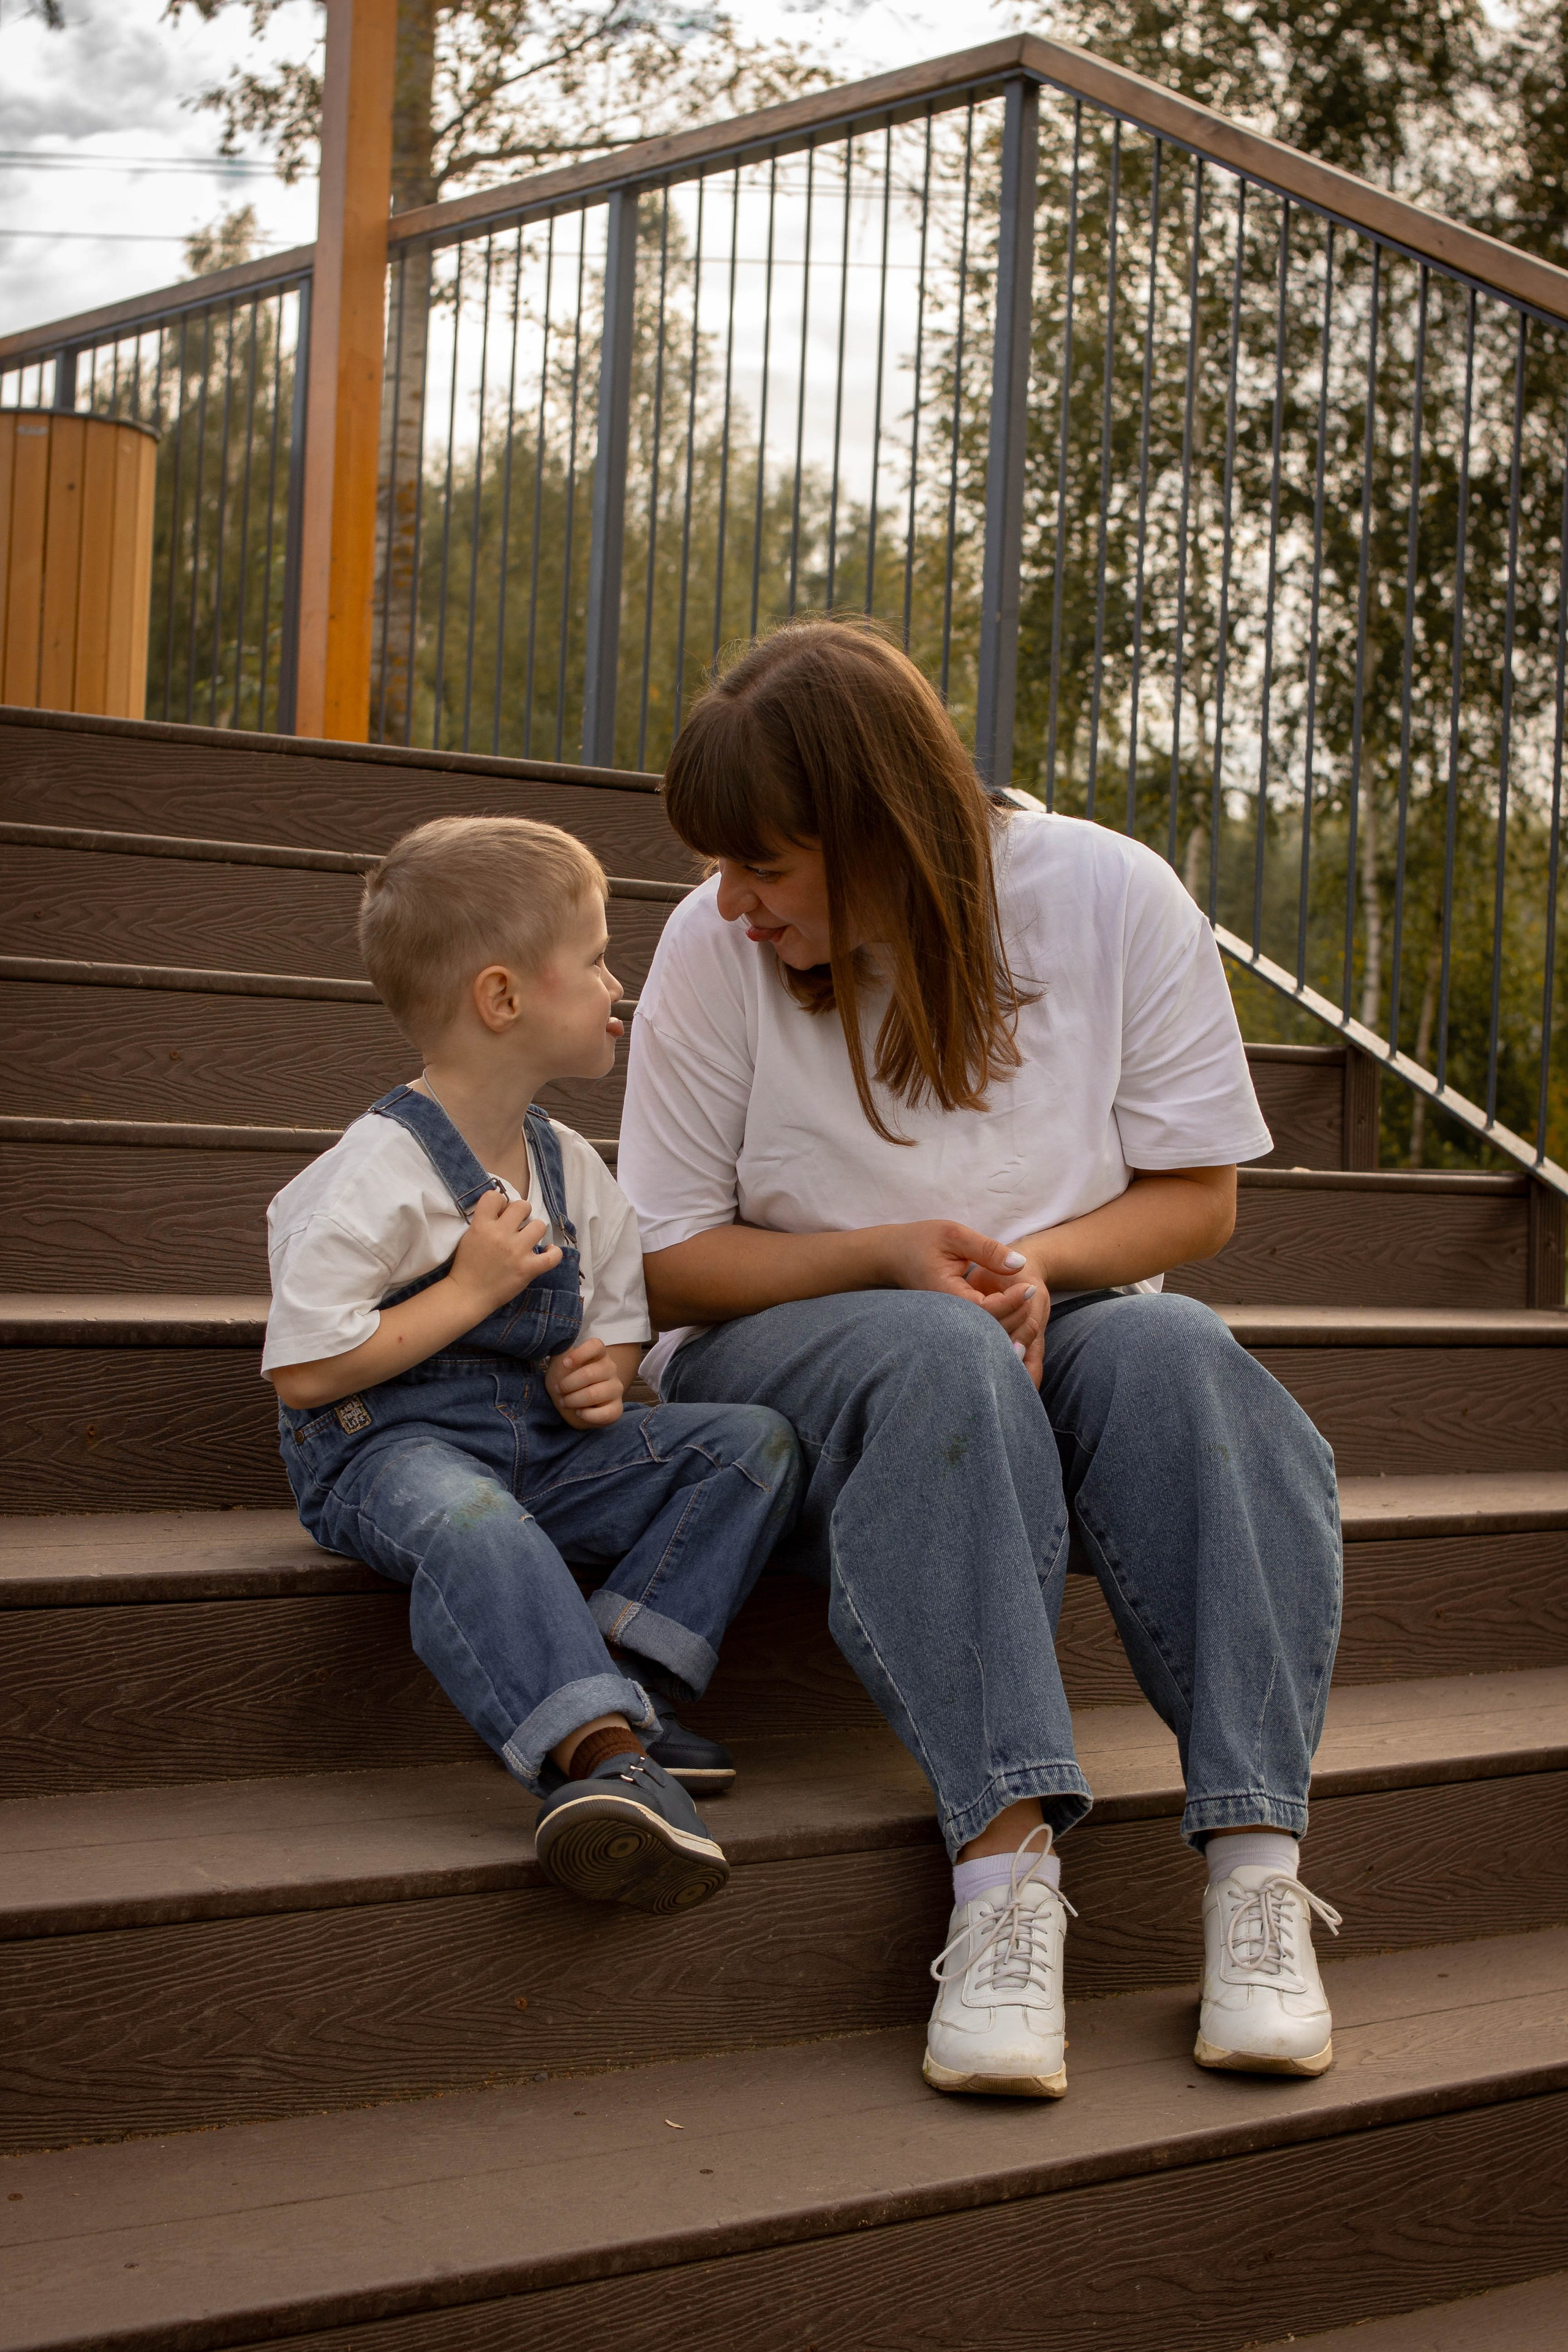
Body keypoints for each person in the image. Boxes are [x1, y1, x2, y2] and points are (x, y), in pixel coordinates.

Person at [617, 618, 1344, 2092]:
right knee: (937, 1357)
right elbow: (661, 1255)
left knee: (1183, 1358)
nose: (733, 903)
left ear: (877, 829)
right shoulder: (714, 945)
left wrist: (1035, 1271)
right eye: (725, 870)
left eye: (766, 865)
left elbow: (1196, 1200)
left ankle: (1257, 1881)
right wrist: (890, 1256)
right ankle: (1004, 1893)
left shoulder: (1110, 892)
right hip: (785, 1343)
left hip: (1046, 1317)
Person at [263, 815, 801, 1915]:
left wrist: (600, 1370)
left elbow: (614, 1321)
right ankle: (603, 1761)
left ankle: (620, 1670)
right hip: (384, 1452)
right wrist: (467, 1291)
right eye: (598, 957)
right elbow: (308, 1373)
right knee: (473, 1521)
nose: (621, 981)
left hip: (539, 1451)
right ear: (503, 999)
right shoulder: (375, 1174)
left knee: (752, 1445)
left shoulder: (571, 1169)